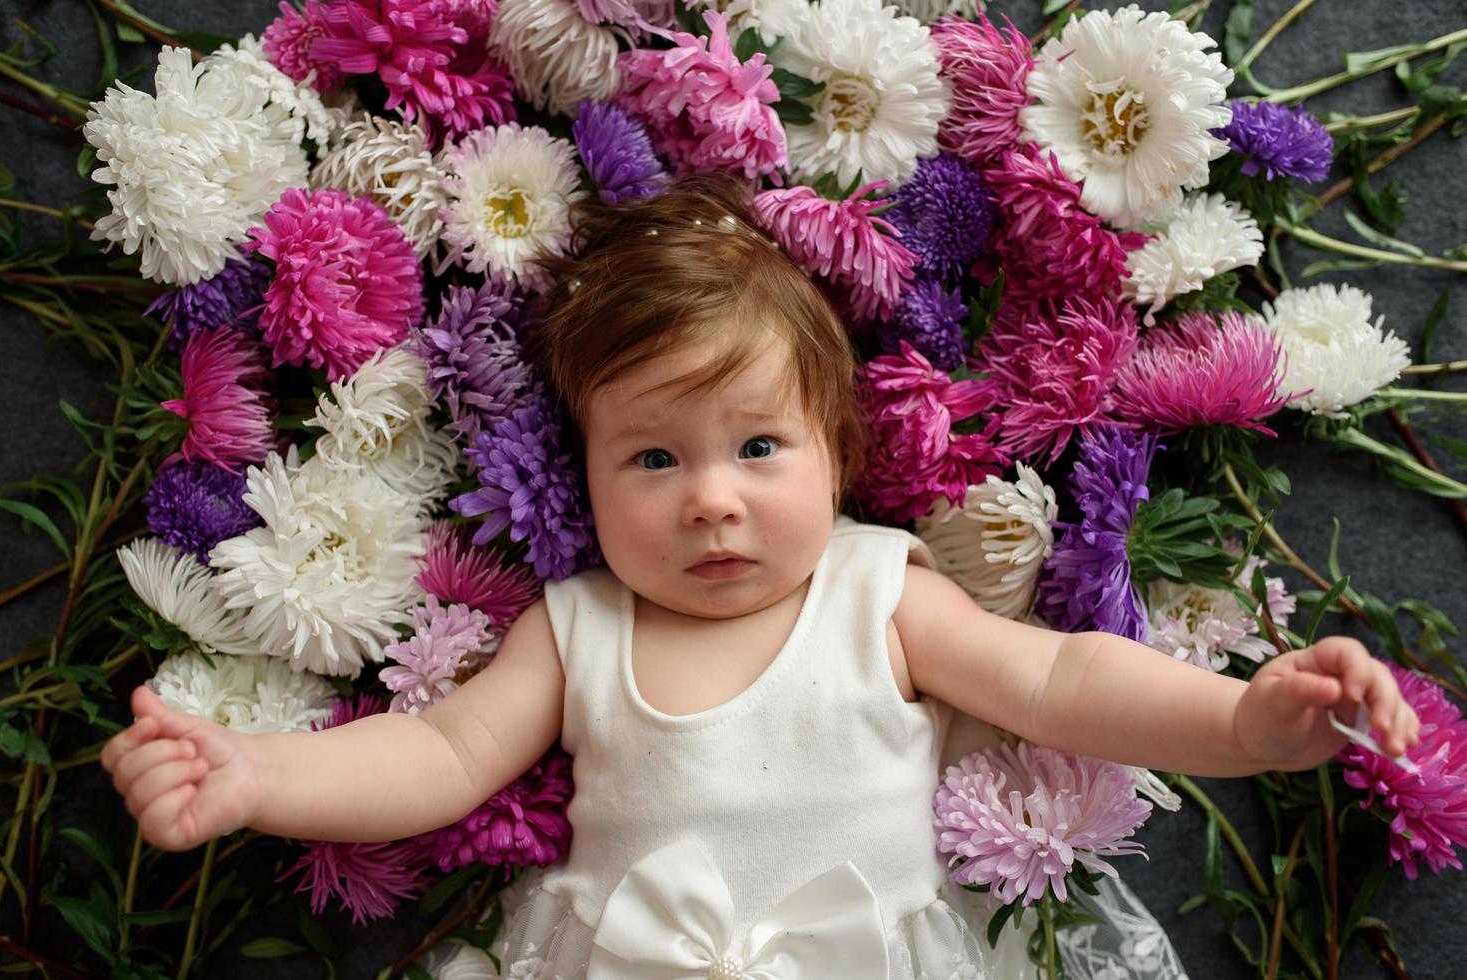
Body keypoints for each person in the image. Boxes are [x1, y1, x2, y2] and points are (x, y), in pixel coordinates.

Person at [101, 177, 1420, 979]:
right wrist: (261, 779)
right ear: (590, 473)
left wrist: (1247, 717)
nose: (712, 497)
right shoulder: (579, 630)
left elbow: (1064, 678)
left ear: (837, 455)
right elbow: (438, 757)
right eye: (655, 457)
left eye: (756, 447)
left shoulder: (876, 593)